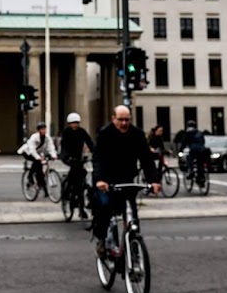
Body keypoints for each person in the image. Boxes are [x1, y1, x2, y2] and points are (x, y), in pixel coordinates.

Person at [92, 105, 161, 257]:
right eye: (120, 120)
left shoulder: (137, 134)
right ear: (113, 119)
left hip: (127, 180)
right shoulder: (105, 134)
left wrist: (154, 181)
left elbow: (146, 159)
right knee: (105, 207)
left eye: (127, 120)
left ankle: (134, 252)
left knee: (132, 217)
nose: (124, 123)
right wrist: (99, 180)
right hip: (106, 180)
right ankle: (101, 239)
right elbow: (97, 158)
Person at [60, 112, 94, 219]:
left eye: (76, 123)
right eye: (73, 123)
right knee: (74, 180)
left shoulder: (82, 132)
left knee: (82, 183)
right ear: (69, 124)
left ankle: (82, 207)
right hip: (69, 157)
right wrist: (66, 157)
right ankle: (68, 195)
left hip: (79, 158)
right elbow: (64, 146)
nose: (75, 125)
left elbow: (90, 142)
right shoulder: (66, 133)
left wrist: (95, 153)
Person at [17, 122, 58, 192]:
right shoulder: (34, 137)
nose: (44, 131)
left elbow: (51, 147)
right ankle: (30, 177)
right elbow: (32, 149)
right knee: (37, 163)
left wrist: (54, 155)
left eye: (44, 129)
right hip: (27, 152)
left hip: (38, 153)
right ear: (39, 130)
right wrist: (38, 157)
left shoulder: (47, 137)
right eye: (42, 129)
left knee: (40, 168)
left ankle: (41, 184)